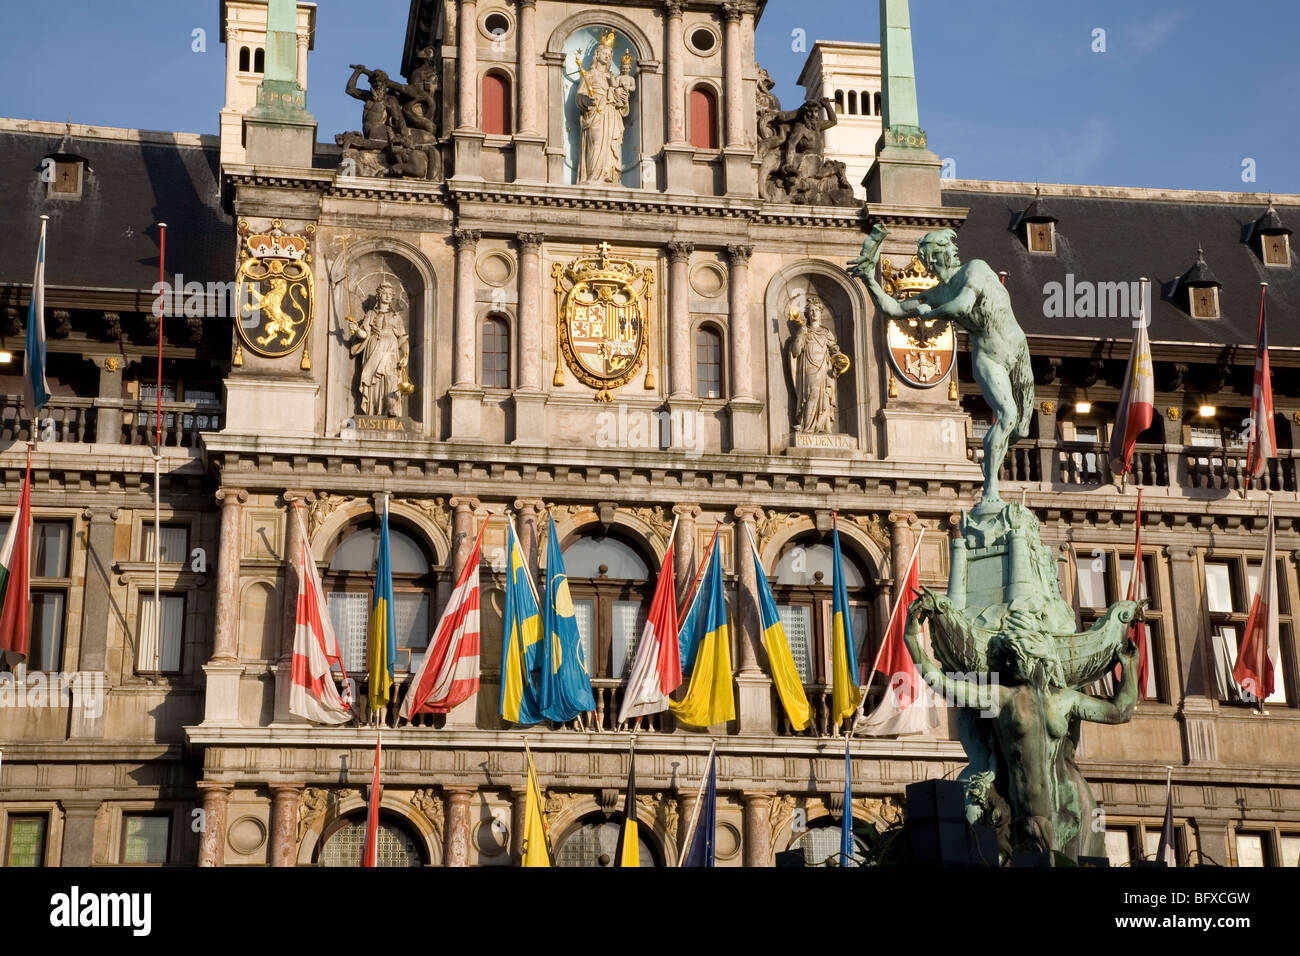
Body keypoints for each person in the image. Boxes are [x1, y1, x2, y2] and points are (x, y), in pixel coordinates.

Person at [850, 228, 1034, 505]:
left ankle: (989, 465)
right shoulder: (937, 292)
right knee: (1007, 416)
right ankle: (991, 490)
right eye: (934, 256)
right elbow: (894, 309)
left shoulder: (976, 269)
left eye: (943, 253)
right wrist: (869, 281)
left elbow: (962, 305)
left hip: (1018, 350)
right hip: (988, 357)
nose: (942, 258)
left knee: (1021, 429)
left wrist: (932, 314)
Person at [575, 32, 632, 185]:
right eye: (604, 53)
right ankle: (593, 176)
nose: (607, 56)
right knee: (597, 143)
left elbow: (622, 104)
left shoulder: (613, 78)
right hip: (596, 114)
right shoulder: (589, 74)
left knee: (610, 145)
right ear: (597, 54)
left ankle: (609, 176)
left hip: (612, 114)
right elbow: (579, 96)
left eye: (609, 54)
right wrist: (588, 100)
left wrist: (621, 97)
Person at [787, 294, 847, 433]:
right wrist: (800, 335)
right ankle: (807, 426)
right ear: (807, 314)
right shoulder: (805, 331)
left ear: (821, 312)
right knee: (811, 393)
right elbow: (795, 352)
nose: (814, 313)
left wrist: (839, 359)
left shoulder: (826, 332)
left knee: (825, 395)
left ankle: (823, 426)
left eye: (817, 310)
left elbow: (834, 350)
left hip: (825, 368)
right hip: (809, 367)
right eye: (811, 311)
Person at [348, 282, 410, 417]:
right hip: (374, 348)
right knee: (373, 380)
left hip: (391, 350)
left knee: (391, 378)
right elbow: (364, 334)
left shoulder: (396, 317)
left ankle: (390, 408)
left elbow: (403, 339)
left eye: (390, 294)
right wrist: (356, 330)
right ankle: (374, 411)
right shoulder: (370, 314)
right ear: (379, 295)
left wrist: (406, 355)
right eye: (385, 294)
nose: (388, 297)